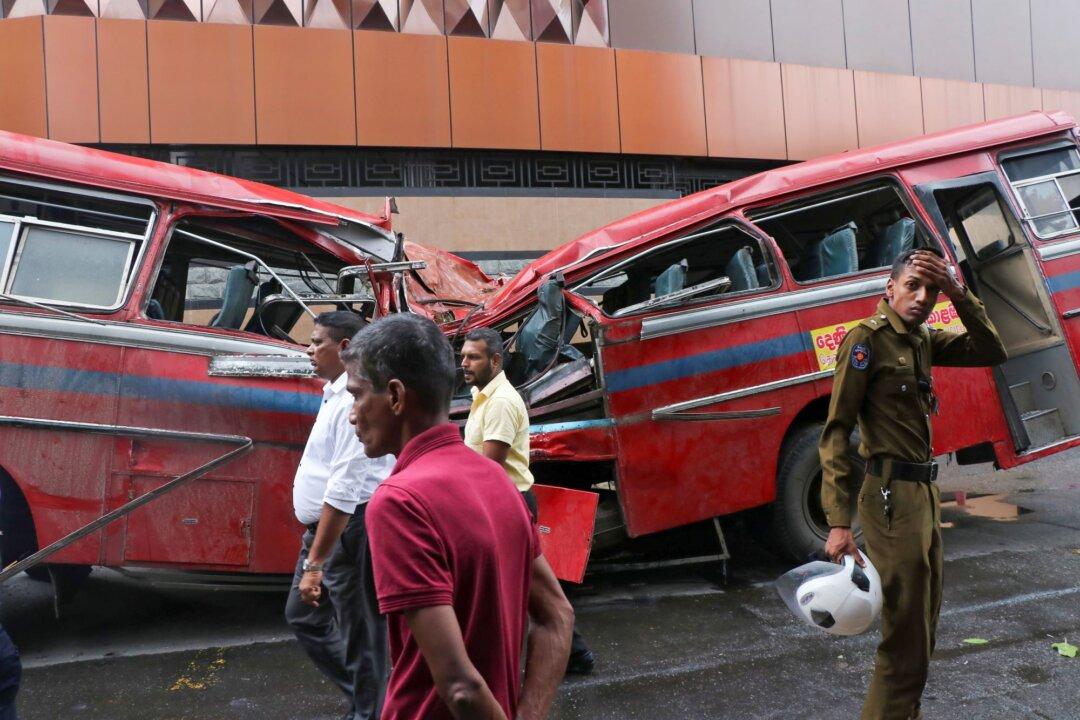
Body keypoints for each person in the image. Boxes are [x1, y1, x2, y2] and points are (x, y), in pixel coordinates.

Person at [342, 313, 574, 720]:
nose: (352, 413)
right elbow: (558, 616)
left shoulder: (399, 502)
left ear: (395, 396)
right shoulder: (496, 478)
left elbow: (461, 688)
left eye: (357, 395)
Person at [820, 248, 1006, 720]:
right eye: (912, 287)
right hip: (888, 499)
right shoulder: (867, 341)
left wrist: (958, 290)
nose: (922, 298)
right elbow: (836, 432)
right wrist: (838, 522)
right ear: (890, 289)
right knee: (904, 639)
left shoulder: (921, 340)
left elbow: (991, 349)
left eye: (931, 290)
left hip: (922, 494)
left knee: (923, 631)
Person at [460, 326, 597, 675]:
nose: (464, 363)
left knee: (517, 590)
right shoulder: (483, 397)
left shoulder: (502, 402)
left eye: (472, 357)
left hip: (508, 504)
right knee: (529, 588)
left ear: (495, 360)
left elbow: (490, 464)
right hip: (504, 502)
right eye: (463, 356)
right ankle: (574, 654)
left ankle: (569, 654)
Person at [284, 311, 395, 720]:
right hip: (325, 530)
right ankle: (372, 703)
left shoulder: (354, 401)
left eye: (317, 342)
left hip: (349, 530)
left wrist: (315, 564)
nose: (309, 350)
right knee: (303, 616)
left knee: (361, 632)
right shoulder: (334, 393)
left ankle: (370, 711)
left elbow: (345, 489)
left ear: (345, 347)